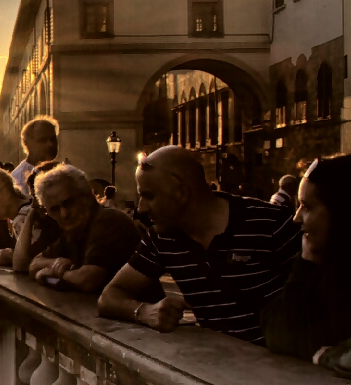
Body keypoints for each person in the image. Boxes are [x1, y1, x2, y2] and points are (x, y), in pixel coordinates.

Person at [98, 146, 301, 342]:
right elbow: (109, 298)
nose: (141, 208)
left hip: (285, 369)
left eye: (149, 196)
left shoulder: (270, 223)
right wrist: (144, 312)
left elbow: (317, 302)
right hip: (216, 367)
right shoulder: (163, 237)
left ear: (181, 192)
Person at [262, 154, 351, 384]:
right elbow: (278, 335)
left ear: (343, 212)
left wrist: (323, 354)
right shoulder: (329, 264)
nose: (297, 218)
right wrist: (304, 267)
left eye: (307, 207)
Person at [29, 165, 141, 293]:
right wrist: (55, 263)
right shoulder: (75, 230)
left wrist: (56, 273)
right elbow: (33, 264)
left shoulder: (108, 220)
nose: (64, 213)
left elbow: (88, 280)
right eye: (55, 209)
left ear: (86, 195)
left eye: (68, 202)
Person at [11, 116, 59, 196]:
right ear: (27, 144)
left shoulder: (62, 171)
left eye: (53, 139)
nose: (50, 144)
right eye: (43, 140)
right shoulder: (18, 179)